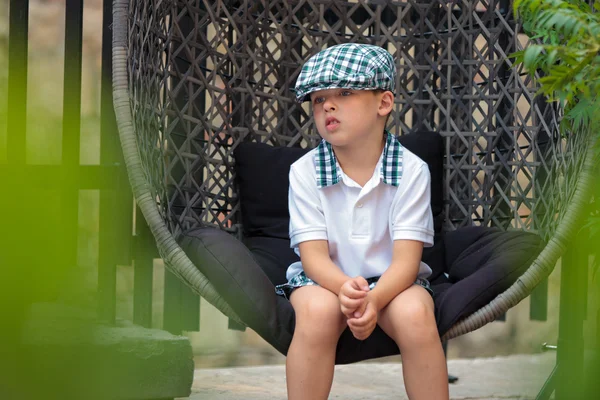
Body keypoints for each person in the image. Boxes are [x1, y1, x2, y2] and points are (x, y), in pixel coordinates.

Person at [274, 43, 449, 400]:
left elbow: (406, 262)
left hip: (394, 282)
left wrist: (375, 298)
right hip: (324, 280)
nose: (328, 106)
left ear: (383, 104)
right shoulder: (305, 172)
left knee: (416, 314)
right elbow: (313, 258)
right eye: (318, 99)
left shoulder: (412, 171)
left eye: (345, 93)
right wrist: (343, 289)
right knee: (318, 314)